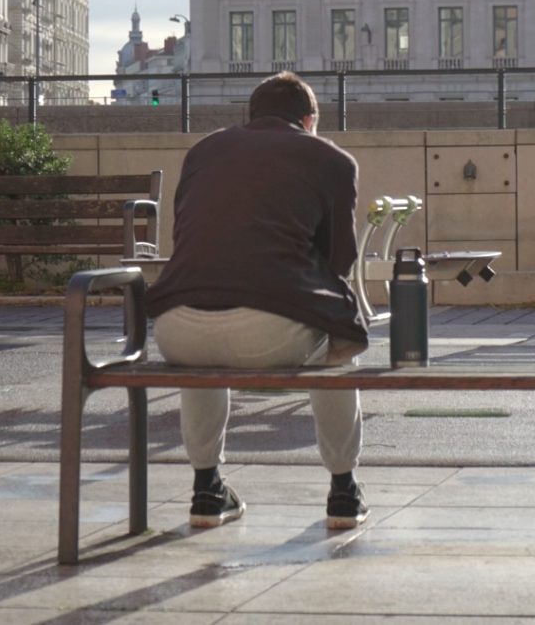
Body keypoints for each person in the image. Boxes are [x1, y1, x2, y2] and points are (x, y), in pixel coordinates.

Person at [146, 71, 370, 531]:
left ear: (251, 117)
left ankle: (206, 487)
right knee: (339, 344)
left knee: (203, 349)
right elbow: (338, 262)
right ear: (310, 120)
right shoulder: (332, 160)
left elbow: (187, 236)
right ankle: (343, 491)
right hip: (268, 332)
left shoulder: (204, 151)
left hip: (175, 328)